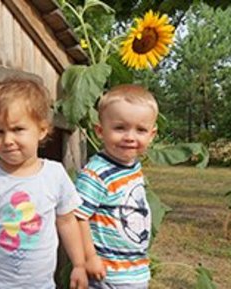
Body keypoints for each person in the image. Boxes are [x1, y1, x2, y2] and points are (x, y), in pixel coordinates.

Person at [0, 78, 88, 289]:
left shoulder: (55, 174)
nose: (7, 140)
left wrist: (79, 264)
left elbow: (67, 222)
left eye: (18, 129)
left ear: (42, 130)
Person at [74, 84, 158, 289]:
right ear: (100, 131)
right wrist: (89, 257)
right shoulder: (96, 173)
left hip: (135, 270)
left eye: (140, 130)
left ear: (152, 135)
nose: (130, 137)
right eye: (120, 128)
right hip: (107, 273)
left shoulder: (132, 167)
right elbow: (78, 217)